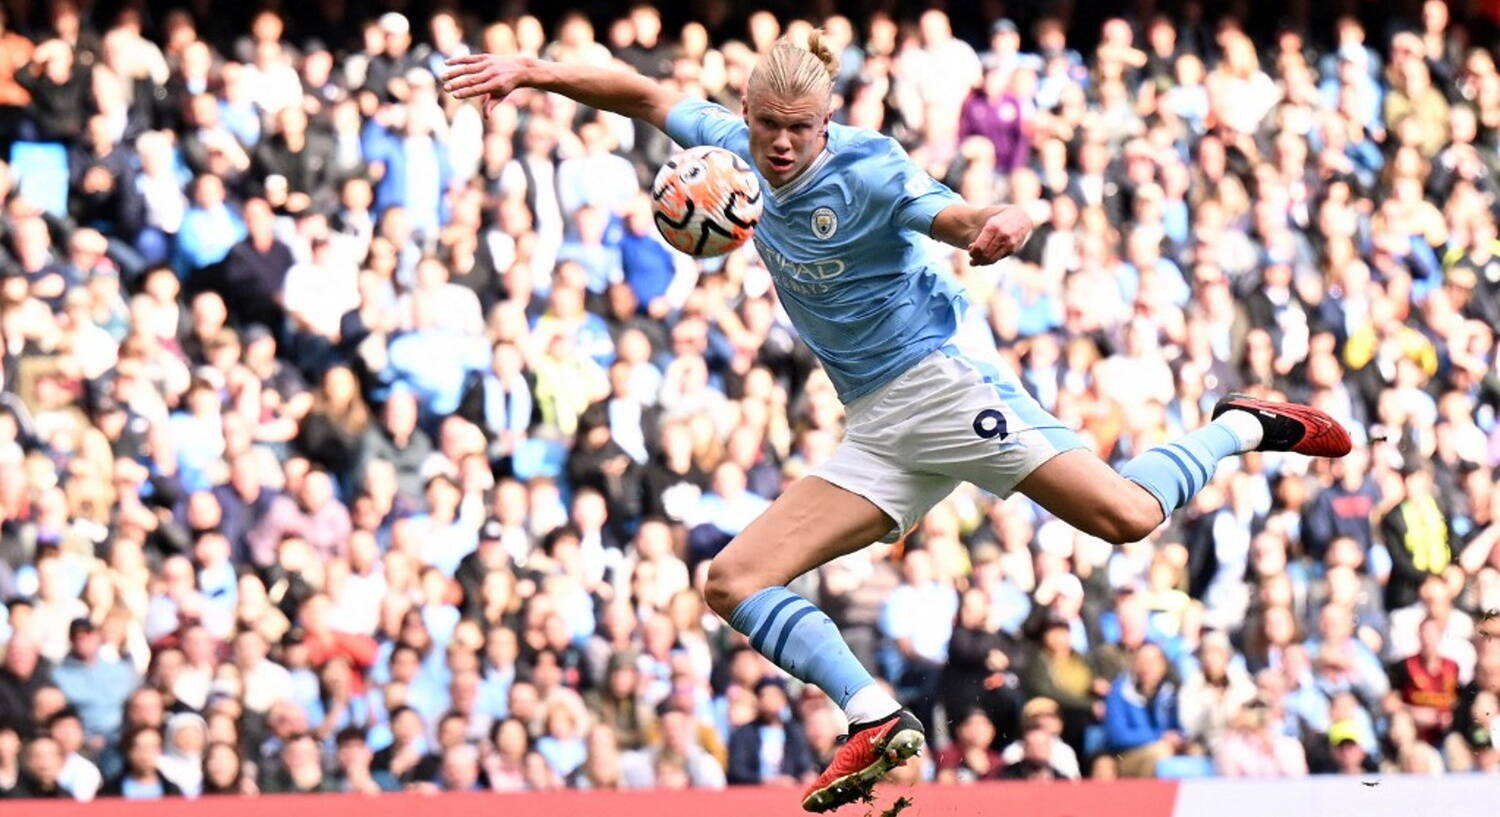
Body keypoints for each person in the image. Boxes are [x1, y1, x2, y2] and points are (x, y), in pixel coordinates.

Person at [442, 28, 1352, 812]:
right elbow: (645, 92)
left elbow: (952, 214)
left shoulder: (870, 168)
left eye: (802, 129)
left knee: (1124, 517)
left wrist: (999, 223)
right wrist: (534, 69)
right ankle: (876, 716)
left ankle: (1239, 423)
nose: (784, 146)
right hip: (875, 422)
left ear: (827, 121)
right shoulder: (725, 148)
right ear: (748, 116)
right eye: (770, 128)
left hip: (942, 387)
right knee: (732, 582)